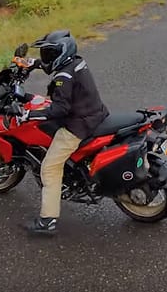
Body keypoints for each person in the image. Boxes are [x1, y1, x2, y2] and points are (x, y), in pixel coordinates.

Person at [19, 30, 110, 236]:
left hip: (78, 125)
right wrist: (32, 63)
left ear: (62, 53)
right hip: (95, 114)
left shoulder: (64, 76)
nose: (47, 58)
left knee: (49, 168)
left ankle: (47, 222)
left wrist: (30, 114)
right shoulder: (75, 62)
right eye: (46, 54)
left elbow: (60, 109)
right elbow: (56, 68)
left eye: (50, 54)